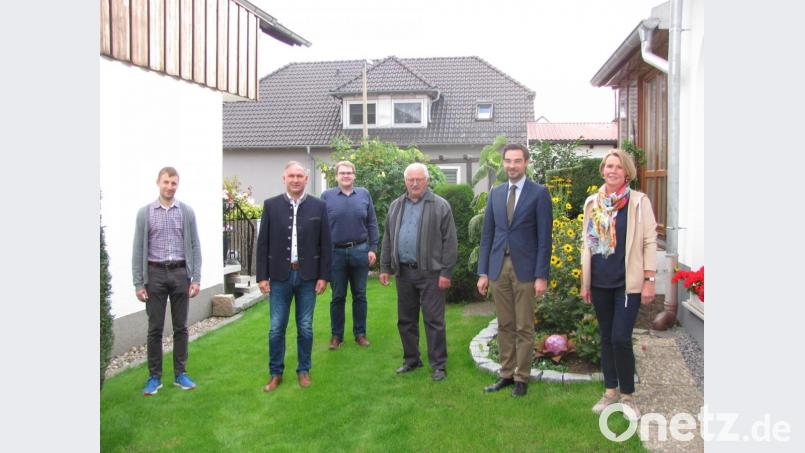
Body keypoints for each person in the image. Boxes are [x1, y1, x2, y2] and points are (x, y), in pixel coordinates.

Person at [580, 149, 657, 420]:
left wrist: (649, 280)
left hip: (628, 283)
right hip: (600, 281)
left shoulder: (638, 202)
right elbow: (587, 245)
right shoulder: (593, 202)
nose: (612, 170)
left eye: (617, 166)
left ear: (627, 172)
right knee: (605, 337)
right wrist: (585, 281)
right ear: (602, 170)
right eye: (608, 166)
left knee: (621, 338)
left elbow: (649, 240)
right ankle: (609, 392)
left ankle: (628, 396)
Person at [477, 143, 552, 397]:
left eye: (517, 161)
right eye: (508, 161)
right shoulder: (496, 193)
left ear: (526, 163)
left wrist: (542, 275)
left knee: (524, 326)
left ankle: (522, 378)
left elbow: (545, 238)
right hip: (498, 267)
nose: (512, 166)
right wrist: (483, 272)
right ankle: (506, 374)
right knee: (505, 324)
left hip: (526, 270)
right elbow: (487, 235)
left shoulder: (539, 193)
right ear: (503, 163)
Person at [257, 161, 331, 392]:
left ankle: (303, 370)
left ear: (306, 179)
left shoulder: (319, 207)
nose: (296, 180)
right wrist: (262, 276)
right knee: (276, 327)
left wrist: (324, 276)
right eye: (292, 176)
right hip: (280, 276)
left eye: (300, 176)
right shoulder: (271, 206)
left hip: (308, 276)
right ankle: (275, 373)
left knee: (305, 327)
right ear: (284, 178)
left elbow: (326, 244)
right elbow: (262, 244)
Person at [379, 163, 457, 381]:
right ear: (405, 182)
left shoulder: (440, 206)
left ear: (427, 181)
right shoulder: (396, 206)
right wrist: (385, 267)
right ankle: (411, 359)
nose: (414, 183)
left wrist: (446, 273)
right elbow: (387, 238)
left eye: (419, 179)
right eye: (410, 179)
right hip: (403, 273)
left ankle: (439, 365)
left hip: (431, 274)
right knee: (405, 320)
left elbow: (450, 242)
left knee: (434, 321)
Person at [132, 166, 202, 396]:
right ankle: (154, 378)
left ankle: (180, 374)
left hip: (181, 273)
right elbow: (138, 249)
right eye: (166, 182)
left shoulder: (186, 212)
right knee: (155, 329)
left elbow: (194, 246)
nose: (170, 187)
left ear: (177, 185)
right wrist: (139, 283)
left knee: (181, 327)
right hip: (155, 275)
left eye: (173, 183)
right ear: (158, 183)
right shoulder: (145, 213)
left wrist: (196, 278)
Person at [321, 161, 379, 349]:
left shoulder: (364, 194)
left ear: (354, 175)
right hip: (335, 253)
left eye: (349, 173)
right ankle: (336, 336)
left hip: (360, 250)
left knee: (360, 295)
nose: (346, 176)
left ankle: (360, 334)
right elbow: (320, 228)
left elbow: (372, 223)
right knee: (337, 296)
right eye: (342, 173)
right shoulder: (326, 196)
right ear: (336, 176)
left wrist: (372, 248)